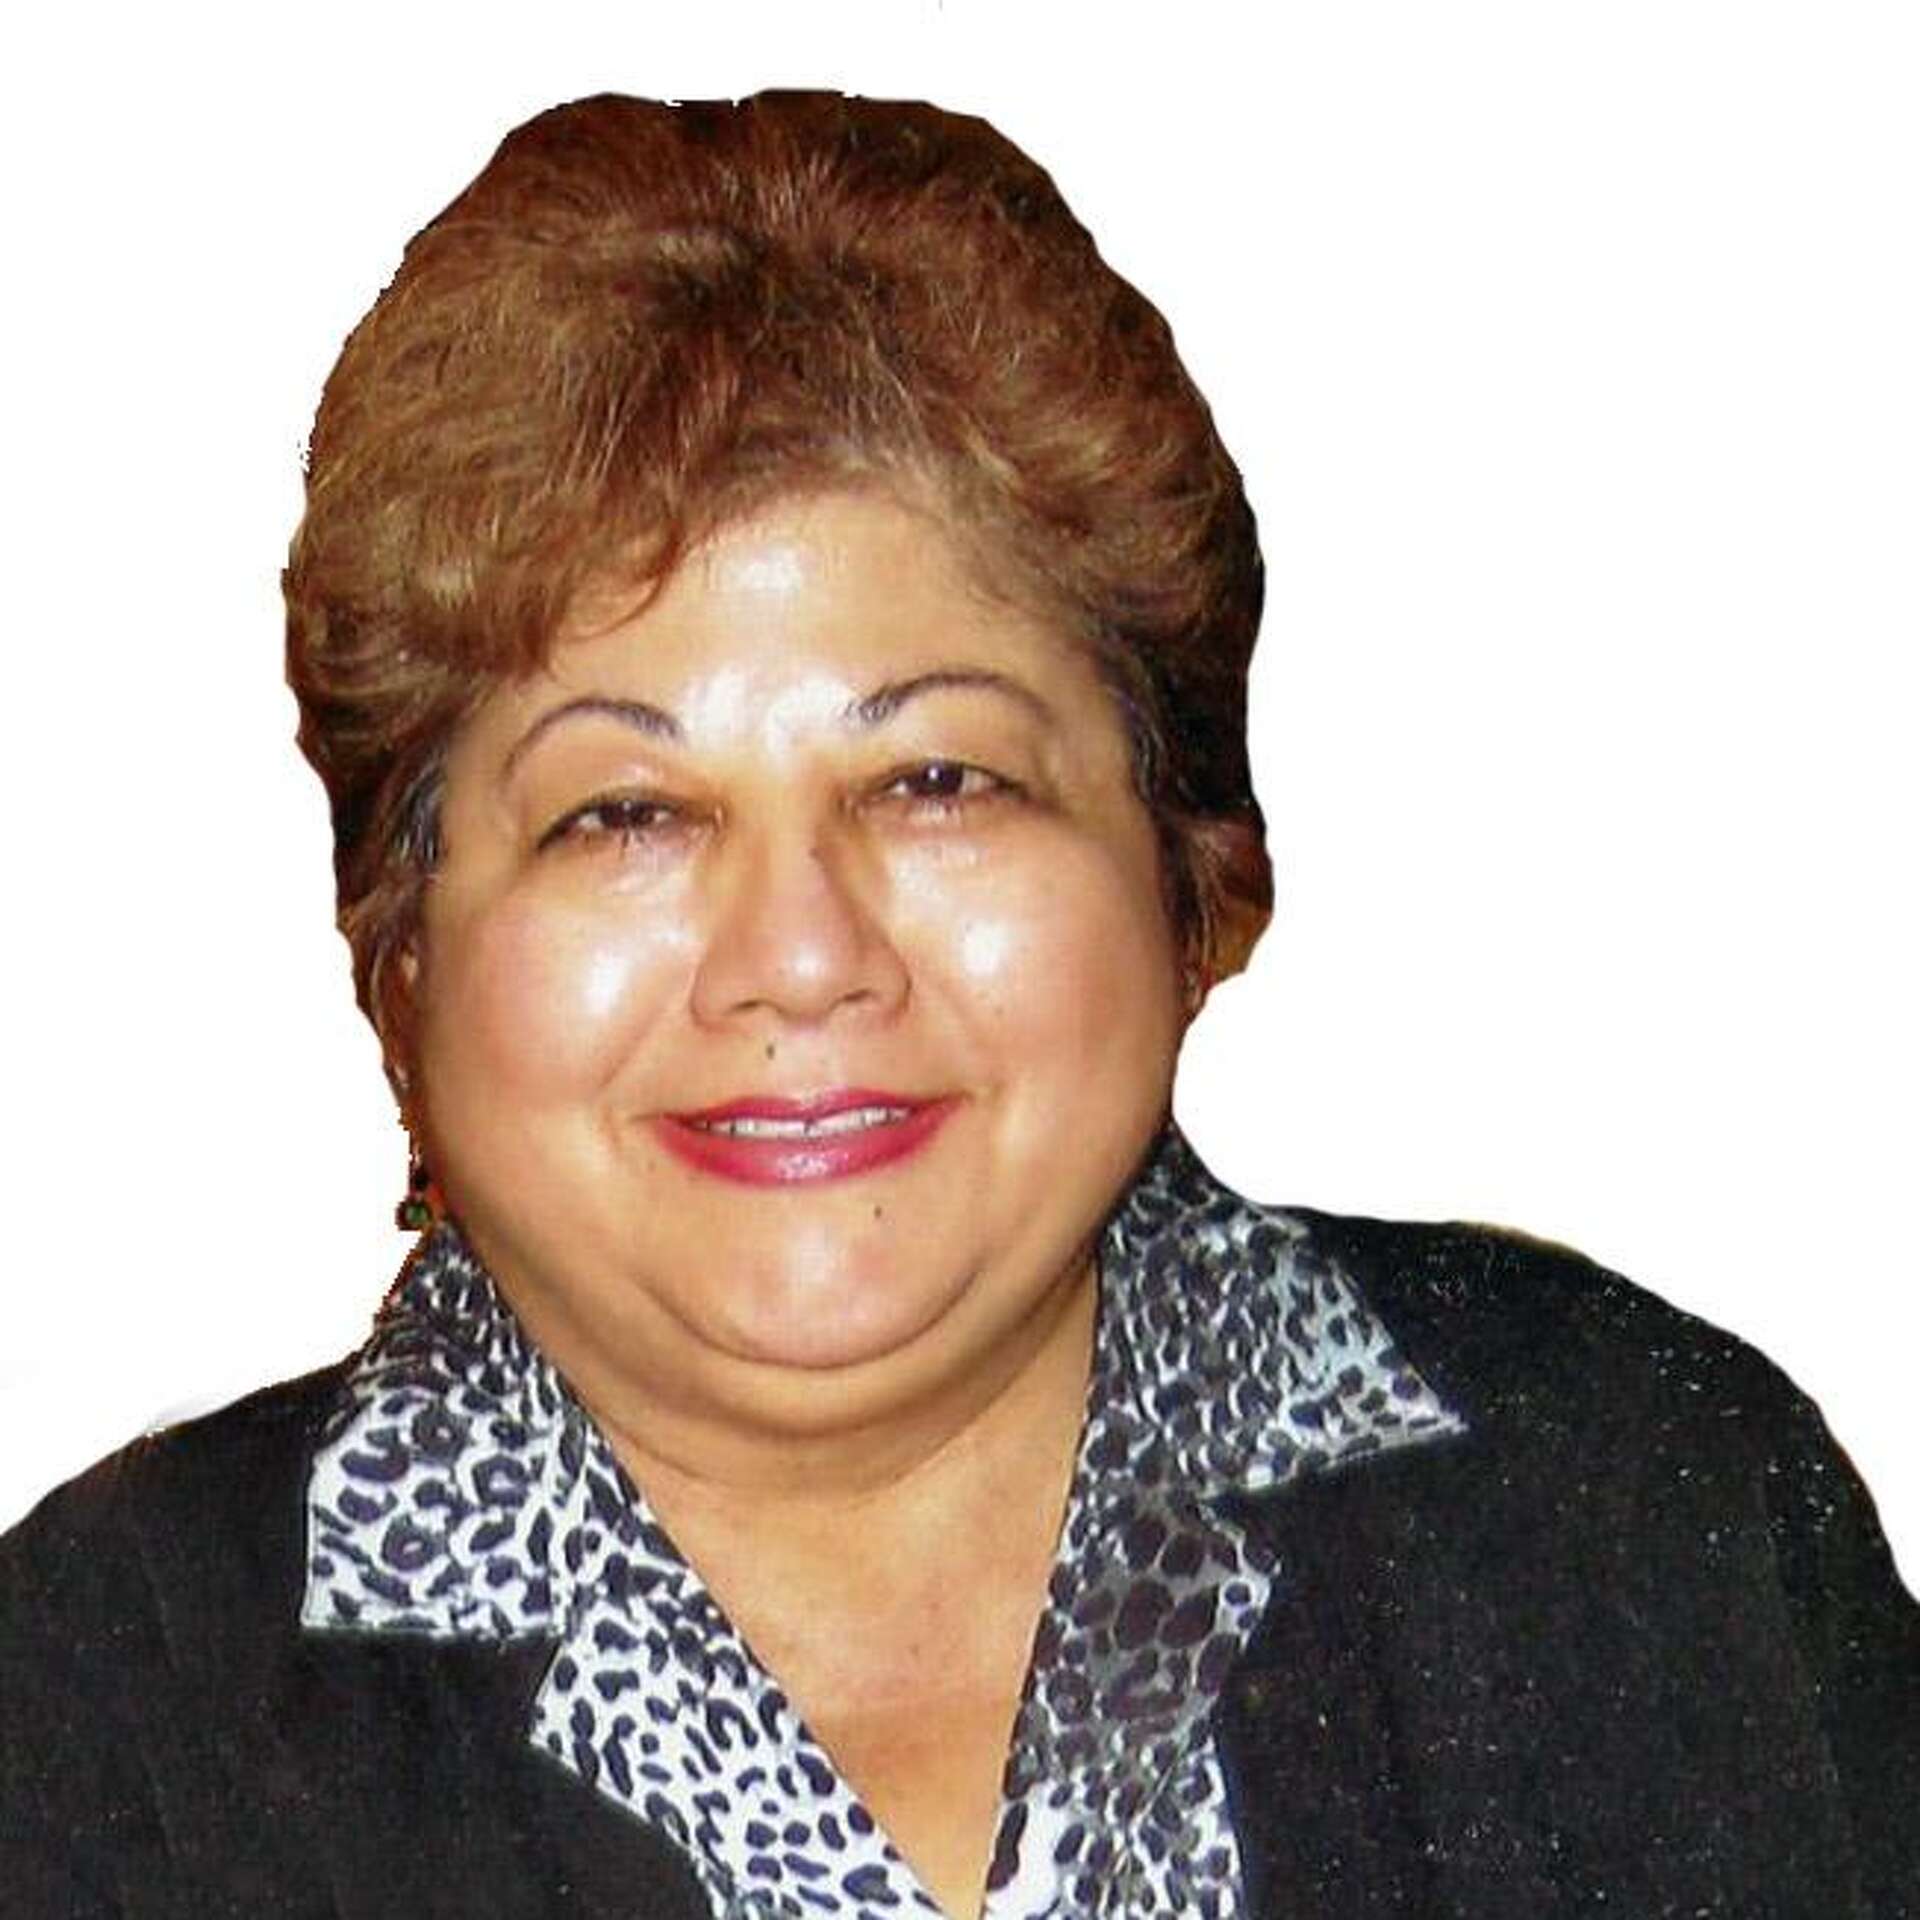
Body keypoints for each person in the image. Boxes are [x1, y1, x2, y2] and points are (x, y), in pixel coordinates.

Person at [1, 89, 1913, 1920]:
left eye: (938, 781)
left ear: (1182, 868)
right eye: (624, 812)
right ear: (406, 952)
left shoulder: (1658, 1517)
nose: (801, 950)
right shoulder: (81, 1730)